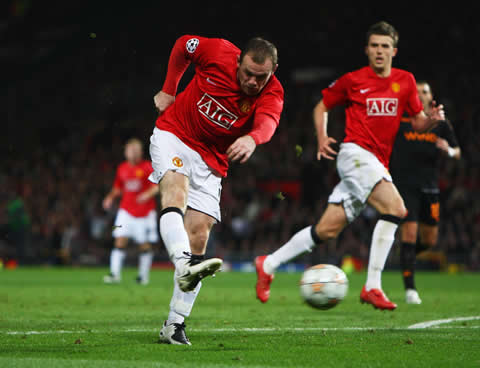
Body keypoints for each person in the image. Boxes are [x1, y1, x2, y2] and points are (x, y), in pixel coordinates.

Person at [255, 21, 445, 310]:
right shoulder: (353, 80)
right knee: (396, 209)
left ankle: (268, 263)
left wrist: (431, 120)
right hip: (355, 154)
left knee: (326, 230)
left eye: (385, 46)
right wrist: (321, 137)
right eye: (374, 46)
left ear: (394, 51)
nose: (379, 51)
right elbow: (321, 106)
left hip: (377, 163)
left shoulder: (405, 81)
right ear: (366, 50)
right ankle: (372, 286)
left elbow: (417, 120)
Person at [150, 35, 284, 344]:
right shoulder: (218, 51)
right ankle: (184, 264)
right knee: (175, 191)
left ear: (273, 71)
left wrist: (253, 139)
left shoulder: (273, 93)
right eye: (247, 73)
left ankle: (174, 324)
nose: (252, 81)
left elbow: (268, 122)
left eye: (260, 77)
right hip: (174, 134)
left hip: (211, 159)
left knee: (199, 233)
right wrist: (170, 89)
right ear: (238, 62)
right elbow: (184, 44)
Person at [390, 81, 461, 304]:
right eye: (417, 91)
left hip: (430, 188)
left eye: (425, 91)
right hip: (404, 188)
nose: (421, 94)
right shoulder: (401, 122)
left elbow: (458, 151)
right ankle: (410, 290)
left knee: (429, 240)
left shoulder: (440, 125)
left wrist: (448, 150)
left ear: (431, 97)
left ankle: (405, 254)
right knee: (410, 234)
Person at [102, 138, 159, 285]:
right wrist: (109, 198)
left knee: (144, 244)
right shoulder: (122, 168)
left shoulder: (147, 167)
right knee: (119, 238)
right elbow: (118, 187)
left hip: (145, 213)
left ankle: (143, 276)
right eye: (129, 150)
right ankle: (114, 274)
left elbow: (157, 186)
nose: (132, 153)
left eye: (135, 150)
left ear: (140, 152)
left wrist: (147, 195)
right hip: (125, 212)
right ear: (126, 152)